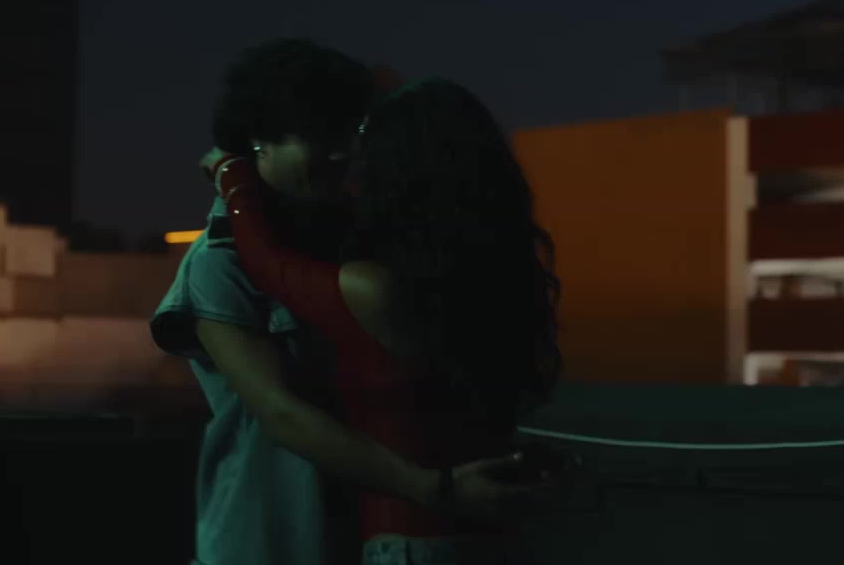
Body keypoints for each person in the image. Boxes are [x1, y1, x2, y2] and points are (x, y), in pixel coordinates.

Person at [151, 40, 547, 565]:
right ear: (258, 140)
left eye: (349, 132)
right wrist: (430, 487)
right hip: (272, 540)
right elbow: (279, 413)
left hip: (367, 535)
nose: (341, 153)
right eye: (318, 135)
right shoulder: (218, 263)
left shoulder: (363, 244)